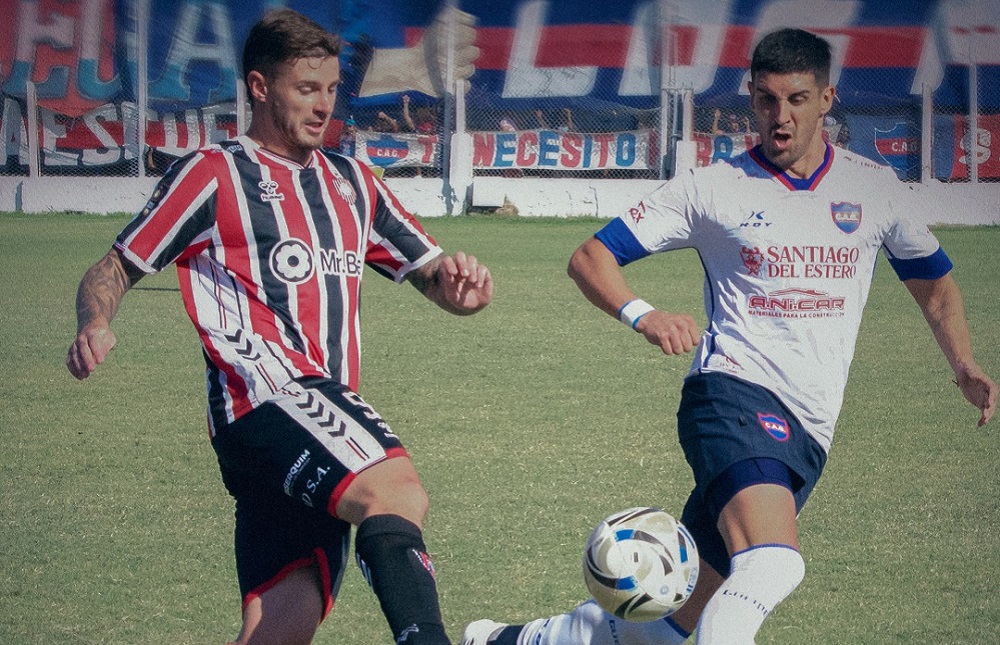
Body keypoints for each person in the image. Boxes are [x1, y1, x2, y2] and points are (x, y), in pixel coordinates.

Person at [461, 28, 996, 645]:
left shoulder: (873, 187)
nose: (781, 116)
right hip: (733, 397)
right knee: (771, 564)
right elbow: (591, 257)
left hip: (810, 428)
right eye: (766, 100)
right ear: (750, 98)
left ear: (827, 98)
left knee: (669, 623)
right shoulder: (712, 187)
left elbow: (931, 276)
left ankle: (508, 640)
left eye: (796, 99)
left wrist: (962, 361)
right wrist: (645, 314)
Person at [66, 9, 492, 645]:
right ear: (260, 87)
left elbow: (435, 277)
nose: (324, 107)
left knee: (282, 625)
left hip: (315, 414)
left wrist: (464, 288)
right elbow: (113, 267)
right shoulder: (213, 174)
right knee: (395, 491)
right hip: (263, 398)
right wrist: (95, 322)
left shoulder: (353, 183)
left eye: (329, 90)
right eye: (305, 89)